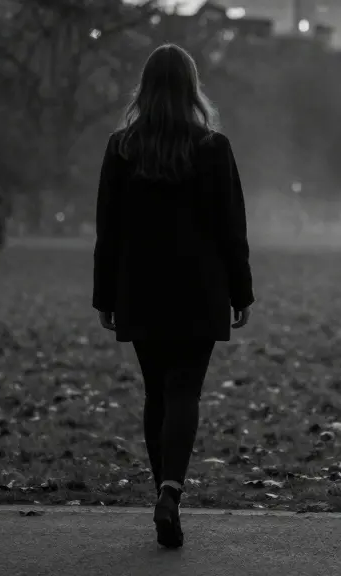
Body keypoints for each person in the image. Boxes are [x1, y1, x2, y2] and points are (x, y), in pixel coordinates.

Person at [92, 43, 255, 549]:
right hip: (199, 289)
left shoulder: (122, 147)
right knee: (185, 391)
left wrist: (105, 297)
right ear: (192, 88)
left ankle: (160, 491)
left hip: (140, 289)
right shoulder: (213, 148)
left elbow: (108, 230)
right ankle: (171, 491)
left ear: (145, 88)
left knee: (157, 393)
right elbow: (232, 228)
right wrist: (241, 290)